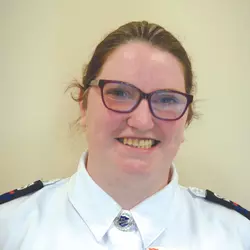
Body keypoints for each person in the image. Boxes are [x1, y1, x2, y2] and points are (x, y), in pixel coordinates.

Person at [0, 21, 249, 250]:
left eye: (167, 99)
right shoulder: (10, 228)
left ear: (186, 118)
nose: (141, 121)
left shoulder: (238, 236)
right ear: (83, 105)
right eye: (119, 93)